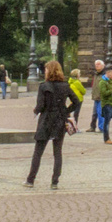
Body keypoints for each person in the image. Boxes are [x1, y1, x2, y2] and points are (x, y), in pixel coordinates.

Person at [26, 60, 79, 188]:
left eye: (46, 70)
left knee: (38, 151)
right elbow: (76, 102)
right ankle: (55, 181)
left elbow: (40, 105)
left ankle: (30, 180)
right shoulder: (65, 86)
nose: (45, 72)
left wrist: (35, 111)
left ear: (49, 71)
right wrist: (65, 111)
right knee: (57, 151)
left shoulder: (44, 86)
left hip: (46, 120)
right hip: (60, 120)